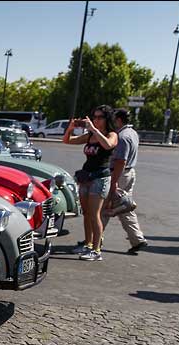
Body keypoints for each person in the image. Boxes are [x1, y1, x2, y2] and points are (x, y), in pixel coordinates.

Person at [64, 105, 118, 261]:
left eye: (100, 117)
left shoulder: (112, 134)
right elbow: (67, 141)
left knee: (95, 214)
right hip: (86, 177)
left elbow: (108, 145)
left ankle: (96, 250)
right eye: (94, 116)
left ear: (107, 119)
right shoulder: (89, 136)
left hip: (100, 178)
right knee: (86, 214)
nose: (96, 119)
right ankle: (87, 244)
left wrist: (94, 129)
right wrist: (71, 127)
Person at [101, 108, 147, 254]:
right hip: (129, 173)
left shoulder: (122, 136)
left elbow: (120, 161)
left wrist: (113, 182)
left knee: (103, 207)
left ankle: (94, 239)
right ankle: (137, 239)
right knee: (124, 207)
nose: (111, 122)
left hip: (119, 174)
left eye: (113, 119)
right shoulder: (132, 133)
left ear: (119, 120)